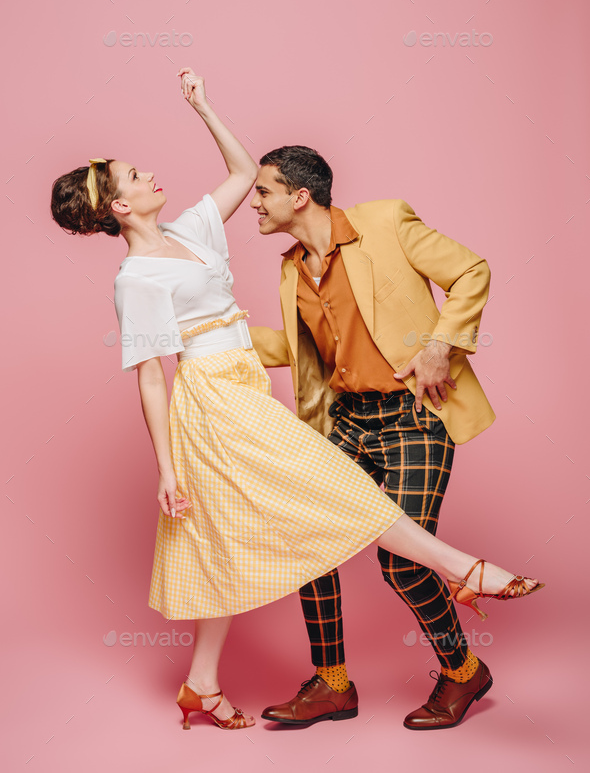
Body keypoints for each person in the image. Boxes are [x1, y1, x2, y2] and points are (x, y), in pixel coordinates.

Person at [50, 68, 543, 733]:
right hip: (229, 402)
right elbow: (153, 374)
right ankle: (433, 597)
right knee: (316, 521)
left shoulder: (201, 231)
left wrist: (202, 106)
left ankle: (212, 682)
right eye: (135, 176)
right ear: (119, 207)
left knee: (295, 544)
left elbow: (242, 170)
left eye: (266, 194)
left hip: (335, 402)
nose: (147, 176)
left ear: (300, 196)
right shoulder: (141, 278)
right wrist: (168, 467)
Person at [248, 145, 523, 730]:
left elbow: (472, 270)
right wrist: (210, 343)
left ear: (301, 196)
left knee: (401, 561)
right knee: (310, 544)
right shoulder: (291, 266)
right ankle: (332, 684)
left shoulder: (385, 221)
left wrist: (439, 345)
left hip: (415, 416)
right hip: (347, 421)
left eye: (264, 191)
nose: (255, 203)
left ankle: (461, 670)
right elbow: (303, 352)